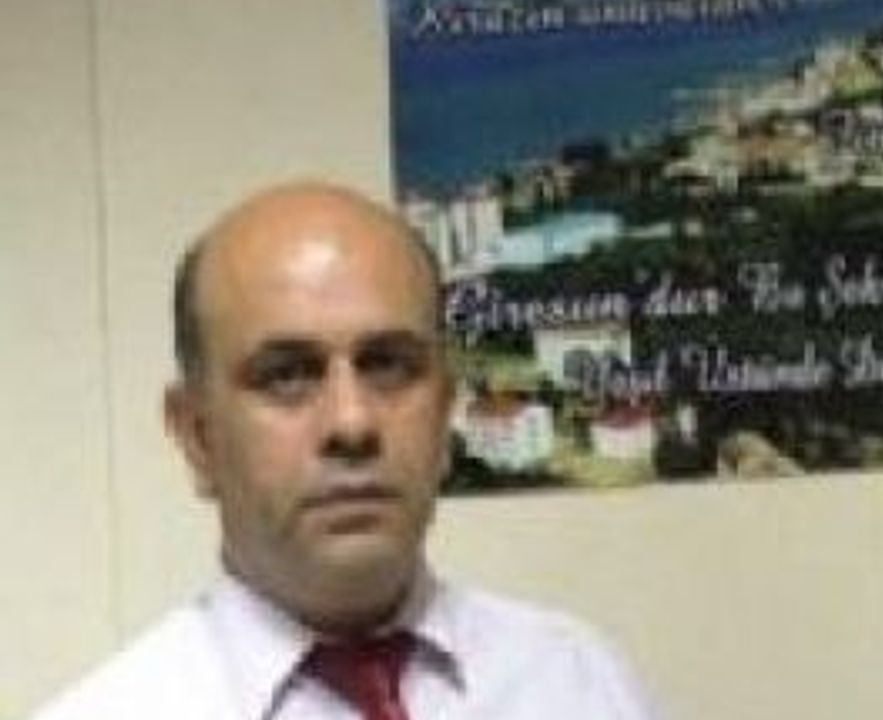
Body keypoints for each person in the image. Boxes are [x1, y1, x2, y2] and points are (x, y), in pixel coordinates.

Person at [32, 181, 659, 720]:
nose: (352, 422)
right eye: (286, 374)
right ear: (197, 435)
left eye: (388, 364)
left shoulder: (580, 682)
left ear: (444, 409)